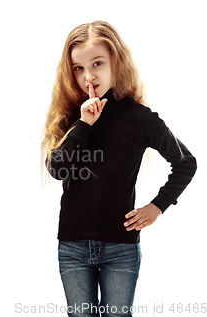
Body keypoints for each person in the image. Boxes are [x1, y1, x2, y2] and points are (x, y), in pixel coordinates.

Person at [41, 21, 197, 316]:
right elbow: (58, 169)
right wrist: (84, 124)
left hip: (120, 248)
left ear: (116, 60)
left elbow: (186, 162)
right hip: (73, 246)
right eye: (78, 68)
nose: (89, 75)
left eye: (97, 63)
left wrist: (157, 207)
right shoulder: (71, 116)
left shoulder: (139, 118)